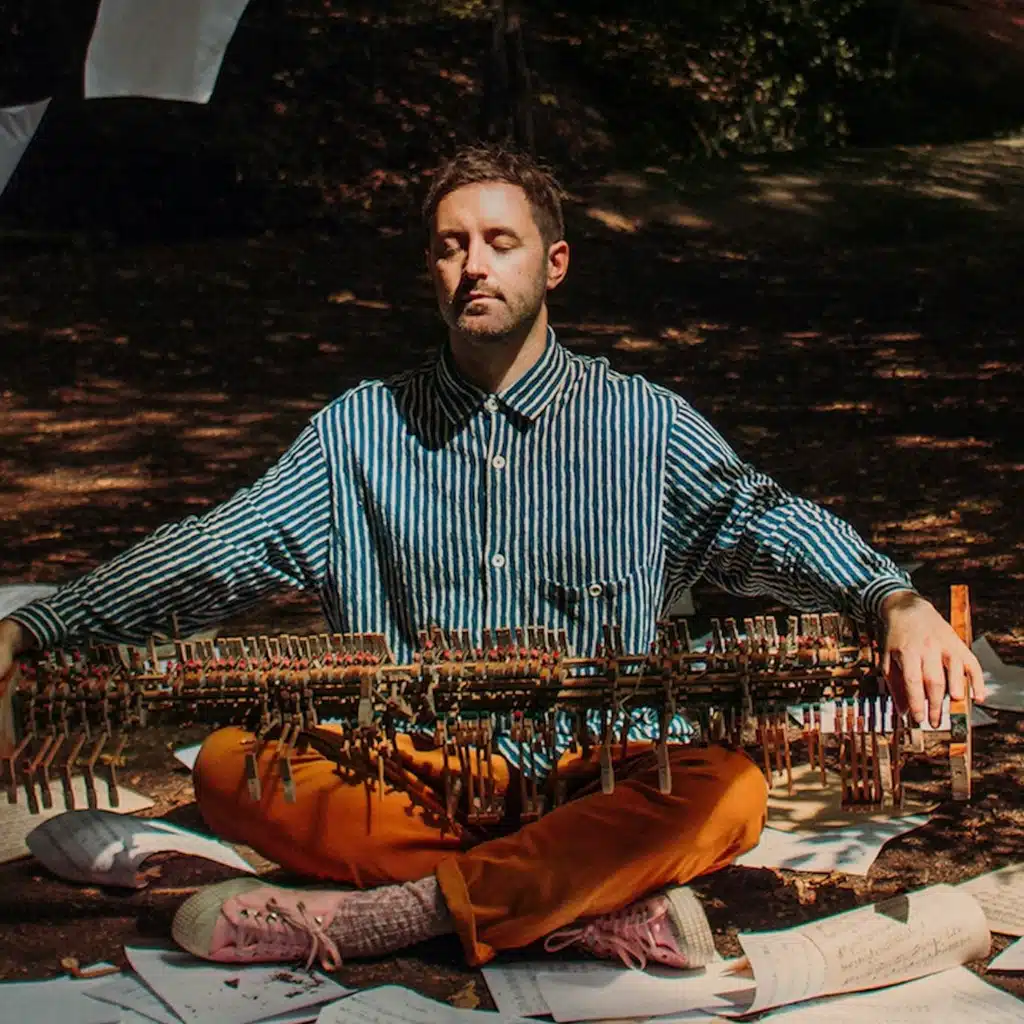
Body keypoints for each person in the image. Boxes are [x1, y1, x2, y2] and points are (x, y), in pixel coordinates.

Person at [0, 145, 985, 974]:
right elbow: (216, 549)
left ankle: (392, 916)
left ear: (553, 264)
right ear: (431, 270)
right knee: (231, 771)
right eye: (450, 245)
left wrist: (889, 598)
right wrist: (36, 625)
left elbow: (758, 517)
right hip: (404, 774)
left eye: (499, 242)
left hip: (597, 770)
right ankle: (572, 898)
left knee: (729, 791)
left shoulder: (643, 424)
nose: (473, 264)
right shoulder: (358, 433)